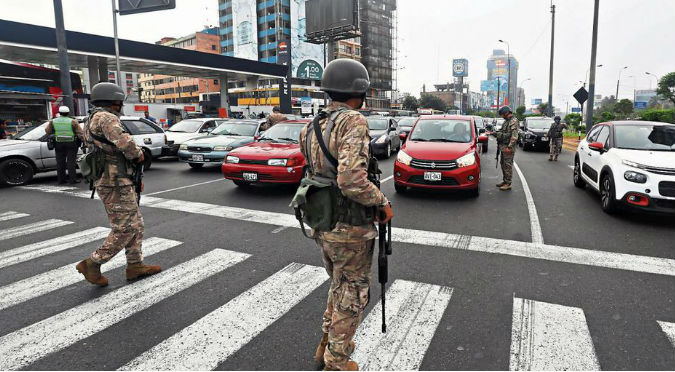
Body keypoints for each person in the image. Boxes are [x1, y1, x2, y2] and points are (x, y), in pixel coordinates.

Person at [299, 59, 394, 371]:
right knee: (352, 292)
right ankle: (337, 361)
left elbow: (314, 171)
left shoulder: (312, 125)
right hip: (349, 227)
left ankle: (327, 344)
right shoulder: (353, 121)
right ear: (360, 89)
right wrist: (381, 202)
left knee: (340, 284)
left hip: (321, 222)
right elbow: (351, 179)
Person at [75, 82, 161, 287]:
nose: (121, 104)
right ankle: (93, 263)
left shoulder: (92, 117)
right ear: (114, 100)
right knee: (125, 228)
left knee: (136, 225)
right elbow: (127, 145)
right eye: (119, 101)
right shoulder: (106, 117)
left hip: (117, 179)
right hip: (114, 181)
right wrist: (139, 154)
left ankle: (135, 265)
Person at [45, 106, 84, 184]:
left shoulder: (53, 121)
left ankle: (61, 180)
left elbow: (47, 131)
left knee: (60, 162)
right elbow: (80, 133)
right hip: (71, 143)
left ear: (59, 113)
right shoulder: (73, 121)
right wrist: (83, 141)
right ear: (68, 113)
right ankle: (72, 180)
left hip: (58, 143)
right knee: (71, 162)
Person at [494, 106, 519, 191]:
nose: (502, 116)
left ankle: (508, 183)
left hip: (508, 147)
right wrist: (494, 133)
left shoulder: (513, 121)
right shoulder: (506, 122)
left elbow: (514, 136)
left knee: (507, 165)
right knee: (503, 164)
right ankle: (505, 181)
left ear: (506, 113)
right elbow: (502, 131)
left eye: (502, 115)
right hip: (503, 147)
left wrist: (509, 147)